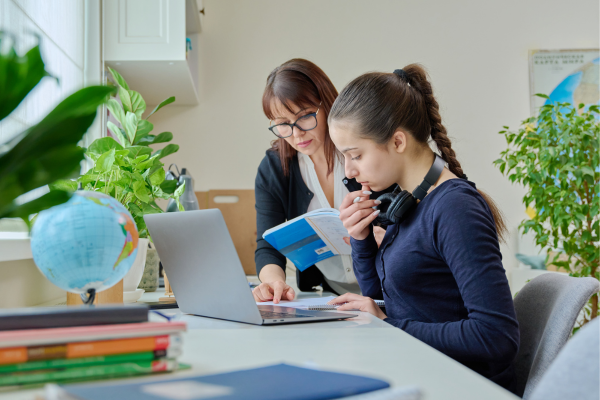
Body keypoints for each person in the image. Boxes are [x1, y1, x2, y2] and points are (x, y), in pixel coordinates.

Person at [326, 65, 520, 393]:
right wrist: (361, 239)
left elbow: (496, 336)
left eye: (355, 154)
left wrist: (391, 327)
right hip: (416, 369)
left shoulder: (454, 208)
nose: (349, 170)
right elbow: (381, 298)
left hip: (456, 387)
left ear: (398, 141)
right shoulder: (411, 202)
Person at [253, 59, 392, 304]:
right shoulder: (275, 167)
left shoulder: (365, 150)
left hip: (390, 291)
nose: (296, 134)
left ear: (327, 104)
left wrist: (388, 235)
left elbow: (408, 220)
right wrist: (273, 282)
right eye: (282, 124)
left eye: (305, 116)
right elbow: (267, 244)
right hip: (332, 297)